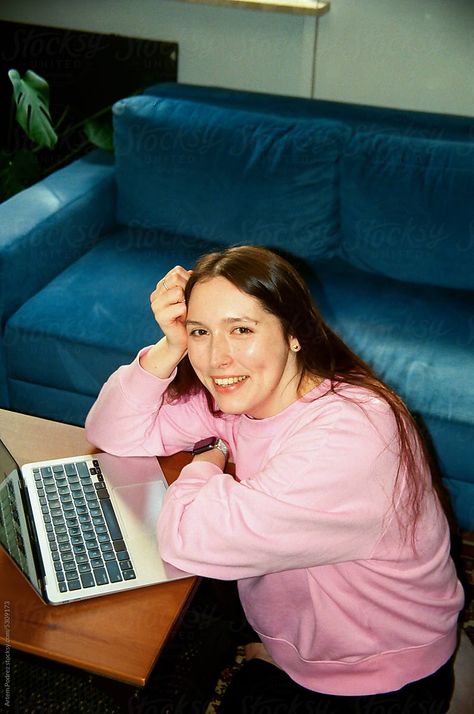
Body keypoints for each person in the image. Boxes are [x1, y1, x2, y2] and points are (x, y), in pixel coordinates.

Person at [85, 245, 464, 713]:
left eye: (241, 329)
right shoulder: (247, 394)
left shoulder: (349, 434)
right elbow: (112, 432)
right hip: (311, 638)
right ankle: (287, 654)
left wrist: (207, 459)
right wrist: (170, 348)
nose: (218, 357)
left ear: (295, 334)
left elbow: (191, 538)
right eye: (201, 331)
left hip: (379, 672)